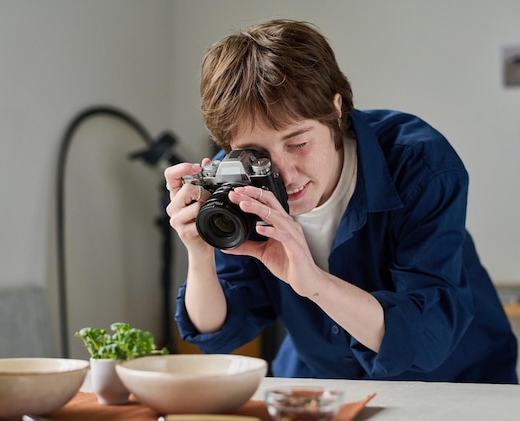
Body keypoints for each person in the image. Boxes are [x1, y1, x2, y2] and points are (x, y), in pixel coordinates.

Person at [163, 19, 518, 383]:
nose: (284, 173)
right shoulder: (234, 176)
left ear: (335, 109)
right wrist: (199, 253)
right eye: (255, 153)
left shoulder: (419, 163)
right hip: (322, 376)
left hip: (453, 381)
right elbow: (219, 333)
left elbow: (427, 336)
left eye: (299, 143)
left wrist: (314, 282)